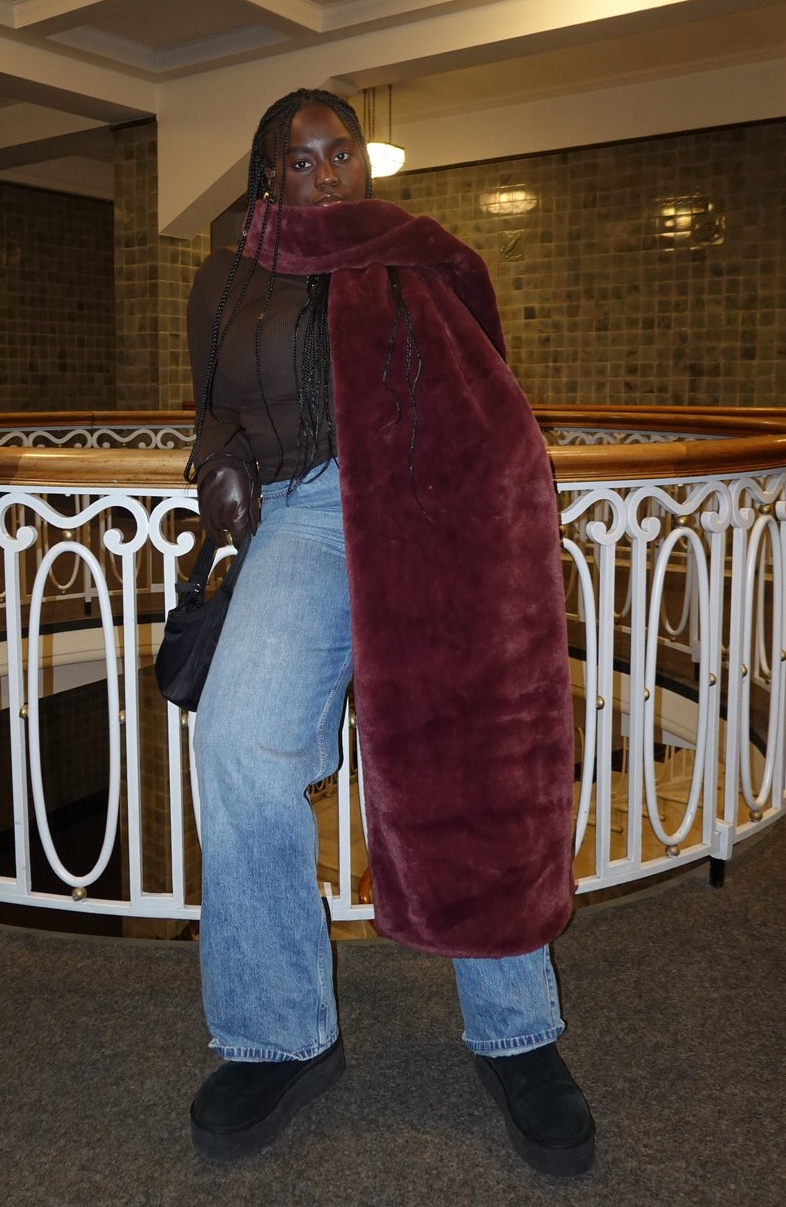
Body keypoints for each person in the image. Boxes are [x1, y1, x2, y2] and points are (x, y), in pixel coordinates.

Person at [182, 87, 594, 1176]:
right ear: (266, 174)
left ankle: (518, 1032)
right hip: (308, 513)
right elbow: (209, 407)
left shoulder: (419, 255)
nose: (325, 174)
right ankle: (279, 1031)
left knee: (474, 755)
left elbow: (483, 389)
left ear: (365, 161)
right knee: (236, 740)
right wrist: (214, 461)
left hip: (429, 497)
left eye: (341, 152)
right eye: (300, 159)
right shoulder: (226, 278)